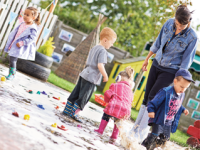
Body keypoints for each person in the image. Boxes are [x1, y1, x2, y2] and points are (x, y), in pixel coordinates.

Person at [129, 4, 198, 142]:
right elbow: (157, 43)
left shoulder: (192, 37)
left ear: (188, 22)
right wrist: (147, 59)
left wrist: (179, 81)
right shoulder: (168, 23)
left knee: (153, 98)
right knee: (146, 96)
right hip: (156, 63)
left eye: (182, 26)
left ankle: (141, 133)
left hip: (171, 70)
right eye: (177, 24)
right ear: (175, 18)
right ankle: (135, 129)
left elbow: (186, 62)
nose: (178, 28)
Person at [63, 27, 117, 123]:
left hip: (84, 73)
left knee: (76, 93)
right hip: (91, 78)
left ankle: (67, 110)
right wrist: (105, 75)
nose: (112, 45)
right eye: (111, 42)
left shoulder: (95, 47)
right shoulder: (103, 51)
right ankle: (74, 113)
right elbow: (100, 65)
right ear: (105, 40)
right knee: (84, 97)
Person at [141, 69, 192, 150]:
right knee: (154, 135)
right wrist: (151, 110)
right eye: (182, 87)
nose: (183, 90)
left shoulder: (182, 94)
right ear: (175, 82)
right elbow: (153, 102)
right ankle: (144, 146)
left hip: (168, 122)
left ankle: (152, 147)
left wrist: (183, 109)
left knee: (165, 139)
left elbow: (177, 104)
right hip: (159, 119)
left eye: (186, 88)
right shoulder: (166, 91)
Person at [94, 66, 135, 143]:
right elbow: (130, 101)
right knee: (118, 120)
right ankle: (114, 136)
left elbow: (108, 94)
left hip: (114, 107)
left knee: (106, 115)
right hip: (125, 111)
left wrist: (106, 101)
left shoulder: (115, 85)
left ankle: (100, 130)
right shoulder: (130, 91)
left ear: (118, 78)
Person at [4, 7, 40, 80]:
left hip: (20, 46)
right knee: (11, 59)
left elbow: (32, 39)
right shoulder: (23, 23)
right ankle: (11, 73)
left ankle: (12, 74)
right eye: (24, 14)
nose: (25, 16)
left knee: (13, 60)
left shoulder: (32, 28)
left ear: (33, 17)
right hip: (14, 43)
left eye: (27, 15)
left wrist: (23, 43)